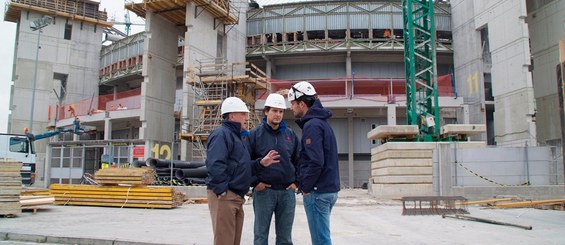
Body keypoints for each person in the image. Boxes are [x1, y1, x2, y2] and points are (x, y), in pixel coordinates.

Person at [205, 96, 280, 245]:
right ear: (232, 116)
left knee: (234, 241)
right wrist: (222, 191)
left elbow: (242, 167)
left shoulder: (239, 138)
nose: (247, 117)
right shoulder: (221, 135)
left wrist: (261, 164)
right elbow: (215, 164)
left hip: (236, 197)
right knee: (224, 241)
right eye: (243, 114)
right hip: (225, 197)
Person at [287, 81, 340, 245]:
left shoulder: (312, 125)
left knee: (320, 240)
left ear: (302, 104)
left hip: (318, 192)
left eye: (293, 104)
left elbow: (315, 162)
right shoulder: (322, 123)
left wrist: (306, 187)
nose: (291, 108)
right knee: (322, 238)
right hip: (329, 189)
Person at [249, 93, 300, 245]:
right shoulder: (255, 135)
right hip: (264, 192)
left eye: (281, 111)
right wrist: (255, 182)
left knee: (285, 238)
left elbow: (299, 160)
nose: (278, 115)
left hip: (287, 193)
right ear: (266, 111)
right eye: (274, 111)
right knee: (260, 236)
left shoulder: (290, 134)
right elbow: (246, 162)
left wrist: (297, 183)